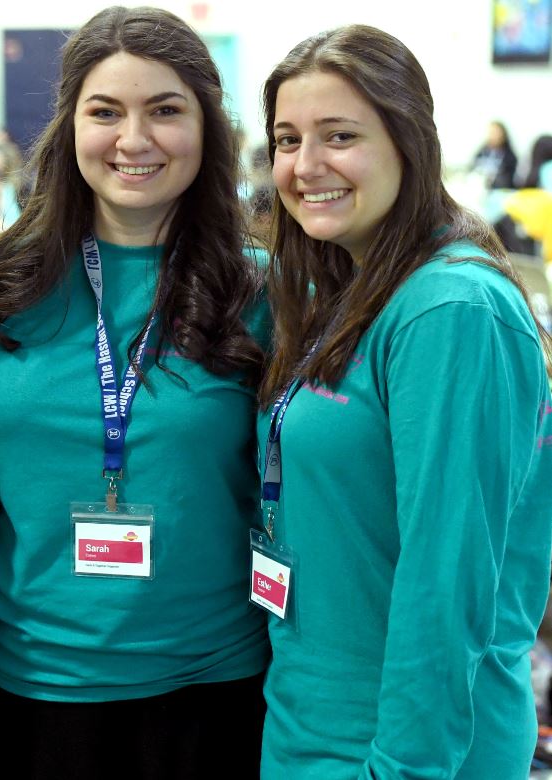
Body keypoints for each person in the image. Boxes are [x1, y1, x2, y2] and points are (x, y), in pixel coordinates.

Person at [0, 6, 269, 778]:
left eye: (165, 111)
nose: (133, 140)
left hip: (211, 693)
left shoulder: (261, 288)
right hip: (27, 693)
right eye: (105, 112)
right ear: (70, 127)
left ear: (207, 126)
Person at [254, 24, 552, 780]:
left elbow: (443, 582)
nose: (305, 165)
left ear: (408, 140)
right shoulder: (348, 287)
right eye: (287, 139)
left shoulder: (450, 310)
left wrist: (405, 767)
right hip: (308, 723)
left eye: (339, 135)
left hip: (403, 750)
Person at [471, 120, 518, 190]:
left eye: (496, 133)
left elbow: (508, 181)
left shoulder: (510, 157)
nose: (493, 136)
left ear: (503, 135)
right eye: (491, 132)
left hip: (499, 192)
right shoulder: (481, 152)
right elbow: (473, 170)